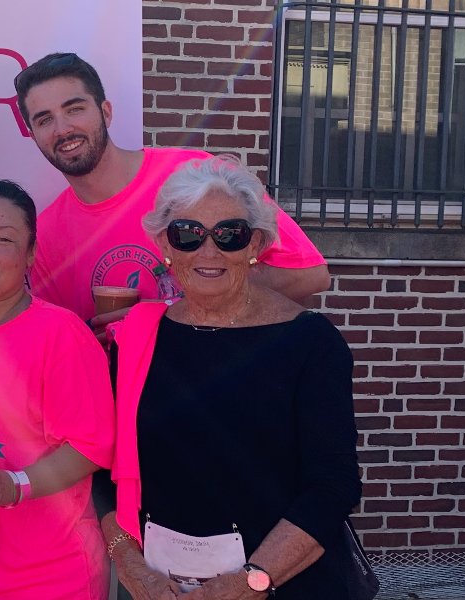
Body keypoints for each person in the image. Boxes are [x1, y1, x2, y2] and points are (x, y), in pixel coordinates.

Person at [104, 156, 362, 599]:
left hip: (283, 587)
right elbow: (101, 471)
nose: (209, 252)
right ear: (165, 243)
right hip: (161, 588)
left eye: (229, 234)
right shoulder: (138, 340)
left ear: (255, 244)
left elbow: (333, 486)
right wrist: (131, 568)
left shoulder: (310, 343)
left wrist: (252, 580)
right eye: (188, 234)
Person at [12, 52, 330, 334]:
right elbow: (60, 340)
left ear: (105, 112)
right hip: (123, 383)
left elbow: (310, 275)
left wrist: (170, 312)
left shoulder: (196, 175)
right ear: (32, 134)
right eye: (45, 119)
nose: (62, 128)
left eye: (74, 109)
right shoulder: (47, 237)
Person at [0, 179, 114, 599]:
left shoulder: (60, 333)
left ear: (31, 254)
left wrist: (14, 485)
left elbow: (92, 448)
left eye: (3, 240)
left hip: (48, 575)